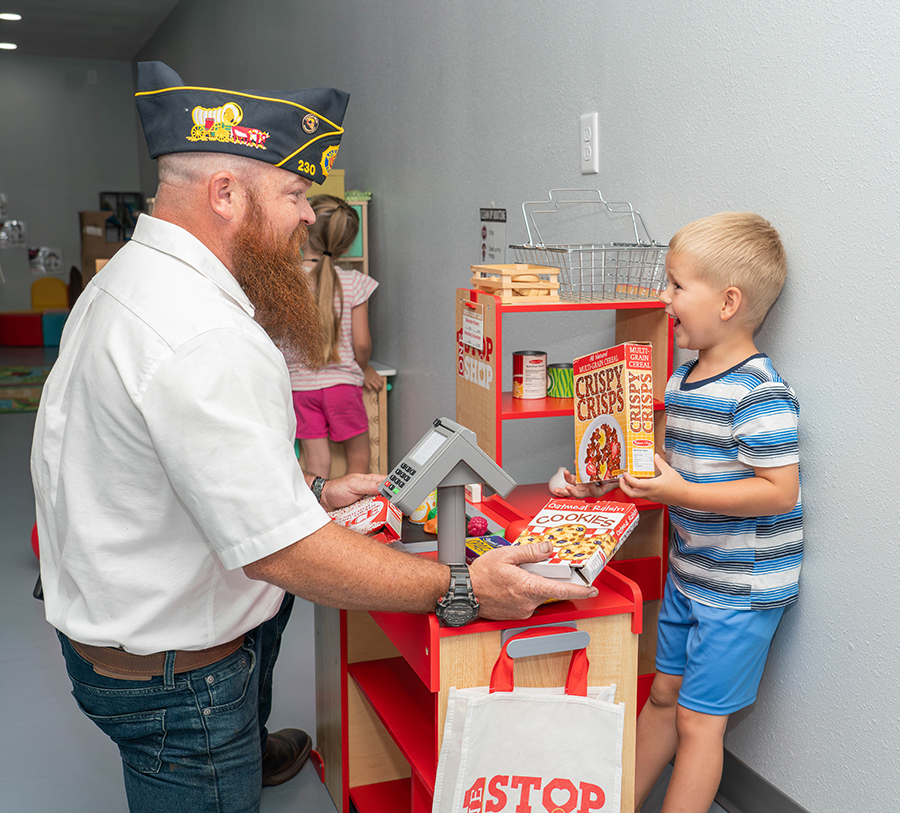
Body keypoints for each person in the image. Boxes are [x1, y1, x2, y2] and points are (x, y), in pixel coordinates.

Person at [30, 62, 600, 813]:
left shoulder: (130, 279)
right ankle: (219, 747)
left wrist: (314, 491)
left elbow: (175, 460)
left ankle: (243, 742)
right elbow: (285, 553)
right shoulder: (202, 334)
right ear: (225, 194)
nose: (308, 214)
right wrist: (461, 583)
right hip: (177, 682)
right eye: (294, 194)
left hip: (124, 631)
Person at [554, 212, 802, 813]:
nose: (663, 299)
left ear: (727, 302)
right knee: (662, 696)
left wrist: (677, 493)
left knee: (698, 723)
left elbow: (779, 492)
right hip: (692, 574)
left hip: (742, 587)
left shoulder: (758, 393)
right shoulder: (683, 380)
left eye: (675, 286)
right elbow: (665, 466)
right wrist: (605, 480)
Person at [287, 194, 383, 477]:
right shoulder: (355, 283)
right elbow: (362, 343)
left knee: (316, 464)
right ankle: (354, 519)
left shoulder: (286, 283)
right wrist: (364, 368)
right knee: (359, 458)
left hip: (299, 388)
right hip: (343, 385)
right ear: (346, 242)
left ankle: (320, 520)